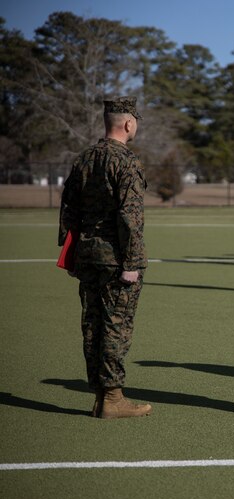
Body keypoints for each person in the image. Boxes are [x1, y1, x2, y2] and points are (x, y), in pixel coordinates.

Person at [58, 96, 152, 419]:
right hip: (115, 259)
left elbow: (68, 208)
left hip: (87, 257)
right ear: (128, 123)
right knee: (116, 326)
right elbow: (130, 218)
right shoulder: (126, 162)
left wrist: (70, 251)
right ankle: (112, 397)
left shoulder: (83, 159)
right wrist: (133, 263)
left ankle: (100, 396)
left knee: (93, 326)